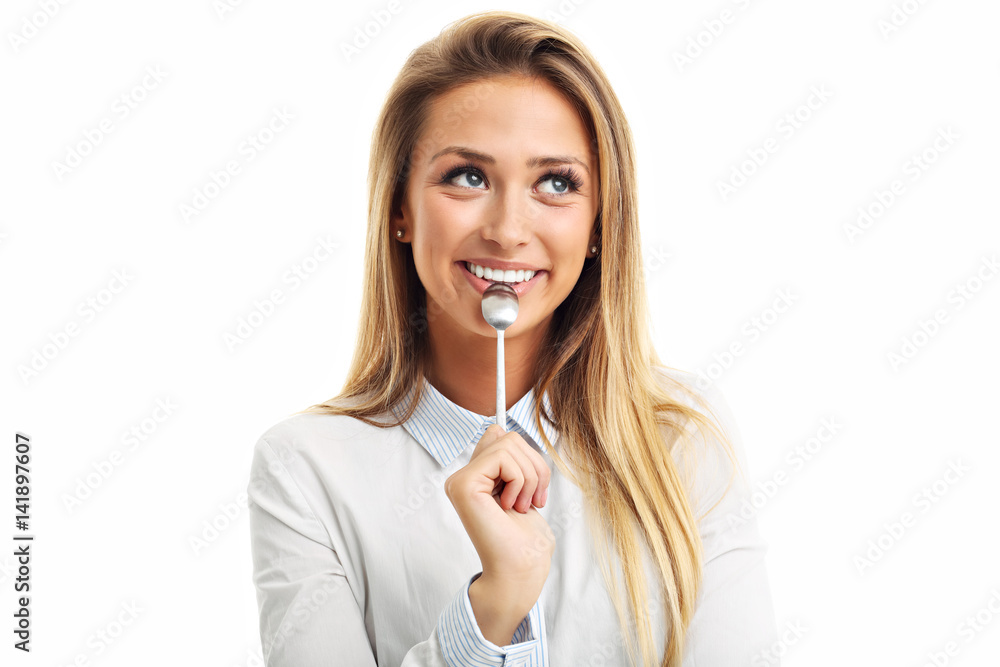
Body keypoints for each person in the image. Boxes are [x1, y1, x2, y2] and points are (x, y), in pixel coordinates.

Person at [247, 10, 780, 666]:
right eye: (467, 176)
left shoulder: (681, 438)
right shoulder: (305, 469)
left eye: (555, 183)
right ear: (400, 209)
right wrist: (492, 608)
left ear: (597, 225)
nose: (507, 228)